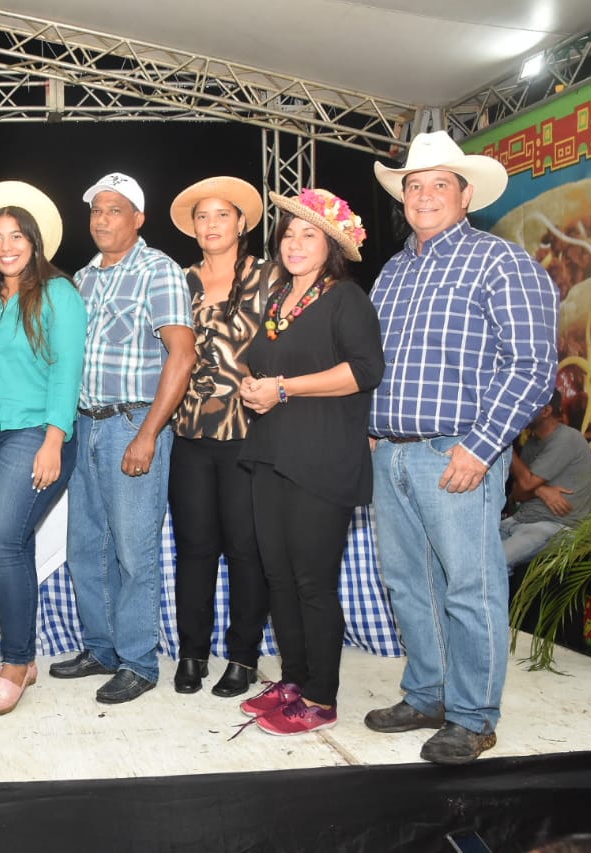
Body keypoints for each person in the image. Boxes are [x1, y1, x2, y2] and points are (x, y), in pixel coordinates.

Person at [365, 131, 559, 765]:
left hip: (458, 451)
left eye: (439, 184)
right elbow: (374, 362)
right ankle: (427, 693)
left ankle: (474, 716)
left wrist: (479, 449)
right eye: (413, 186)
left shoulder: (501, 261)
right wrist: (370, 429)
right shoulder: (393, 270)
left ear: (466, 193)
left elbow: (533, 366)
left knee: (469, 588)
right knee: (407, 582)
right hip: (391, 452)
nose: (424, 195)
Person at [236, 188, 383, 736]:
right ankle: (294, 680)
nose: (294, 244)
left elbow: (365, 370)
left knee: (312, 582)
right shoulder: (278, 301)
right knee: (279, 577)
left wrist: (282, 387)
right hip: (272, 454)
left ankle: (321, 698)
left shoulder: (346, 298)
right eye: (289, 233)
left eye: (309, 235)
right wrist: (256, 388)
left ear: (332, 247)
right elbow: (272, 372)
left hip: (322, 460)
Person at [49, 172, 195, 704]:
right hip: (87, 424)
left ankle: (138, 660)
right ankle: (102, 647)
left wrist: (149, 433)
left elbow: (182, 354)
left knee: (134, 551)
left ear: (138, 219)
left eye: (115, 210)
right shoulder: (83, 279)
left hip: (133, 423)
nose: (102, 219)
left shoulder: (159, 270)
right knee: (86, 547)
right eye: (96, 210)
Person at [0, 181, 86, 716]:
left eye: (16, 236)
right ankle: (25, 658)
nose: (5, 245)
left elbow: (66, 370)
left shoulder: (60, 294)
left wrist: (54, 439)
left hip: (37, 433)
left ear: (35, 243)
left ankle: (14, 662)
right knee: (14, 546)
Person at [166, 176, 276, 698]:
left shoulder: (271, 277)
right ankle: (192, 654)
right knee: (194, 549)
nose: (210, 225)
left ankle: (243, 656)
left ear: (243, 222)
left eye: (221, 215)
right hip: (188, 431)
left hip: (249, 431)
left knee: (245, 549)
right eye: (202, 217)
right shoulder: (176, 280)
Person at [502, 390, 591, 569]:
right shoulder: (532, 442)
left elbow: (526, 484)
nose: (519, 411)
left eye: (527, 406)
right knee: (468, 552)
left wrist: (503, 445)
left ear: (546, 411)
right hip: (522, 520)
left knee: (493, 564)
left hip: (554, 526)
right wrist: (541, 490)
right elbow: (519, 493)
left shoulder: (567, 438)